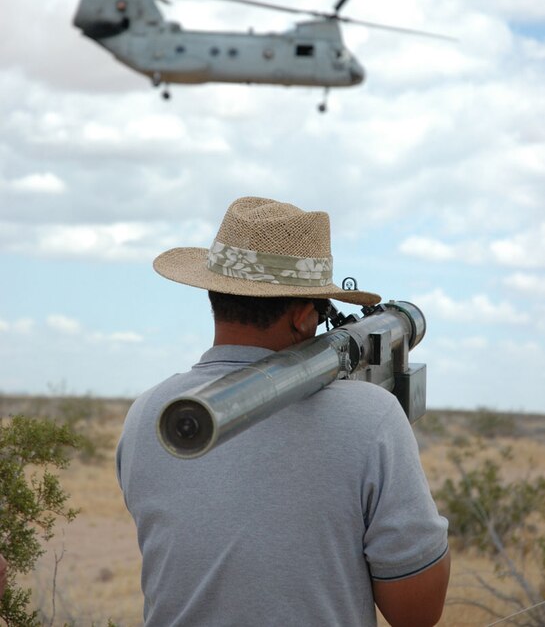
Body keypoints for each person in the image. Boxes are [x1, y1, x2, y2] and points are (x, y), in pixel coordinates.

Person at [117, 196, 449, 627]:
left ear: (217, 294)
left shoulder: (152, 414)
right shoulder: (372, 418)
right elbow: (416, 612)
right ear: (302, 316)